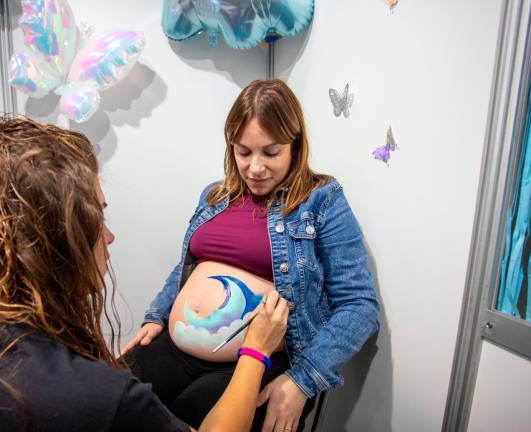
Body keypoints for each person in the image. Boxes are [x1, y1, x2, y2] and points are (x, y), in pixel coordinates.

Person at [0, 115, 289, 432]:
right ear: (55, 243)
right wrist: (256, 352)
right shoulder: (91, 400)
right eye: (97, 216)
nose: (110, 237)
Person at [122, 79, 380, 431]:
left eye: (270, 153)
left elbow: (359, 304)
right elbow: (186, 267)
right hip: (174, 347)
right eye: (243, 152)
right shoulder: (214, 196)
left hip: (262, 362)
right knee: (116, 401)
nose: (255, 168)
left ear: (295, 146)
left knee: (188, 415)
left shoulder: (322, 200)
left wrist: (303, 379)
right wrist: (157, 314)